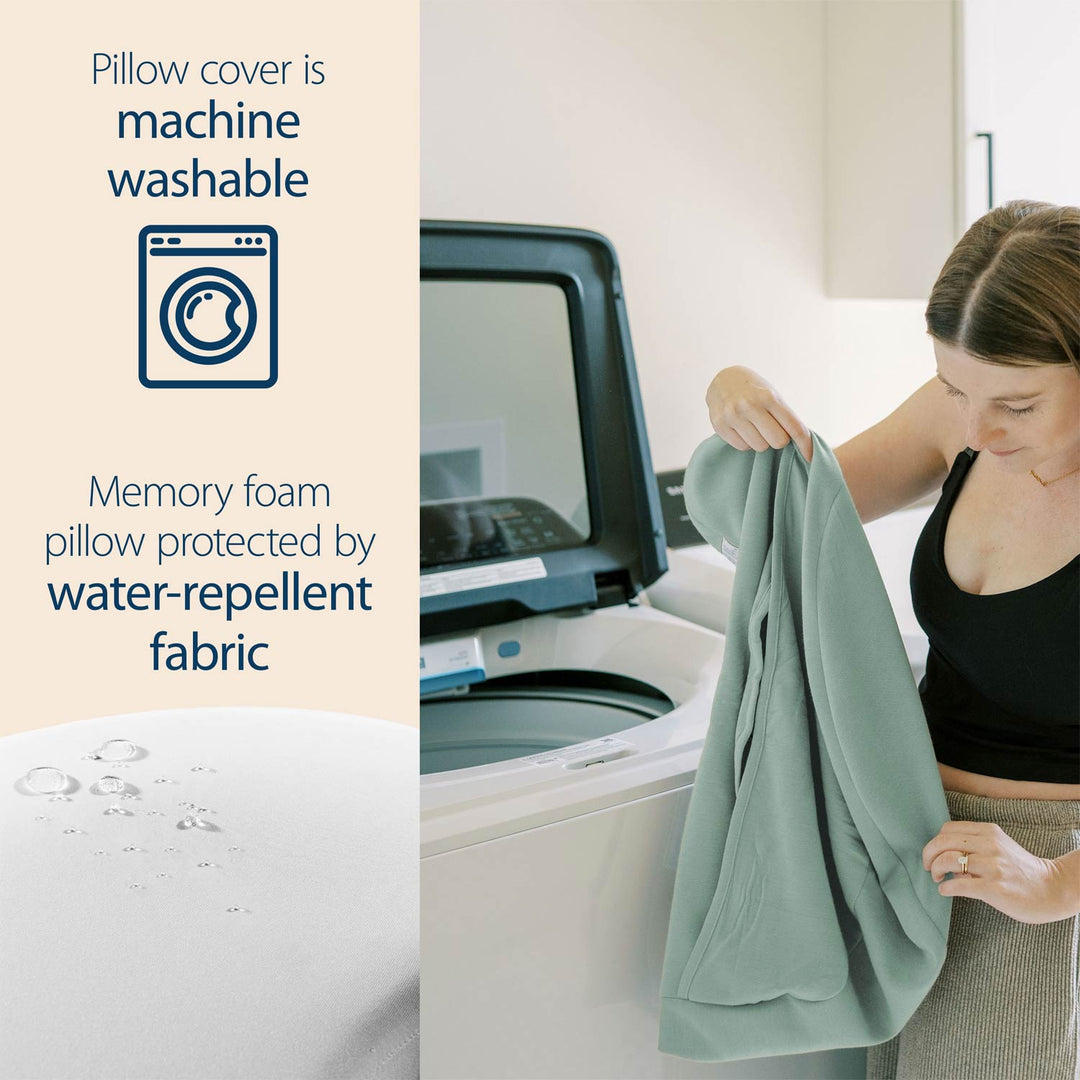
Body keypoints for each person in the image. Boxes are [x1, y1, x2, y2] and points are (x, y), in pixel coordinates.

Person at [701, 200, 1079, 1080]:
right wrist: (733, 397)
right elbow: (780, 516)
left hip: (1040, 877)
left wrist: (1055, 884)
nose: (976, 432)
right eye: (954, 388)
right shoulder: (965, 419)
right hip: (908, 850)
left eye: (1017, 405)